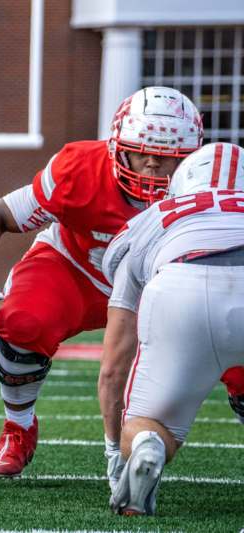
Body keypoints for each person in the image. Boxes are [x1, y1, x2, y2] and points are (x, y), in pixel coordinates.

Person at [0, 86, 213, 478]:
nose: (150, 166)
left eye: (166, 159)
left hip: (160, 284)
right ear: (116, 146)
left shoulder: (210, 181)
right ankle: (18, 428)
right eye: (140, 152)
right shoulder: (78, 169)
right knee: (21, 320)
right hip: (76, 269)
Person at [99, 142, 244, 515]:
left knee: (151, 424)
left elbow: (115, 363)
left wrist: (118, 449)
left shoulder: (156, 215)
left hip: (181, 285)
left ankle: (148, 444)